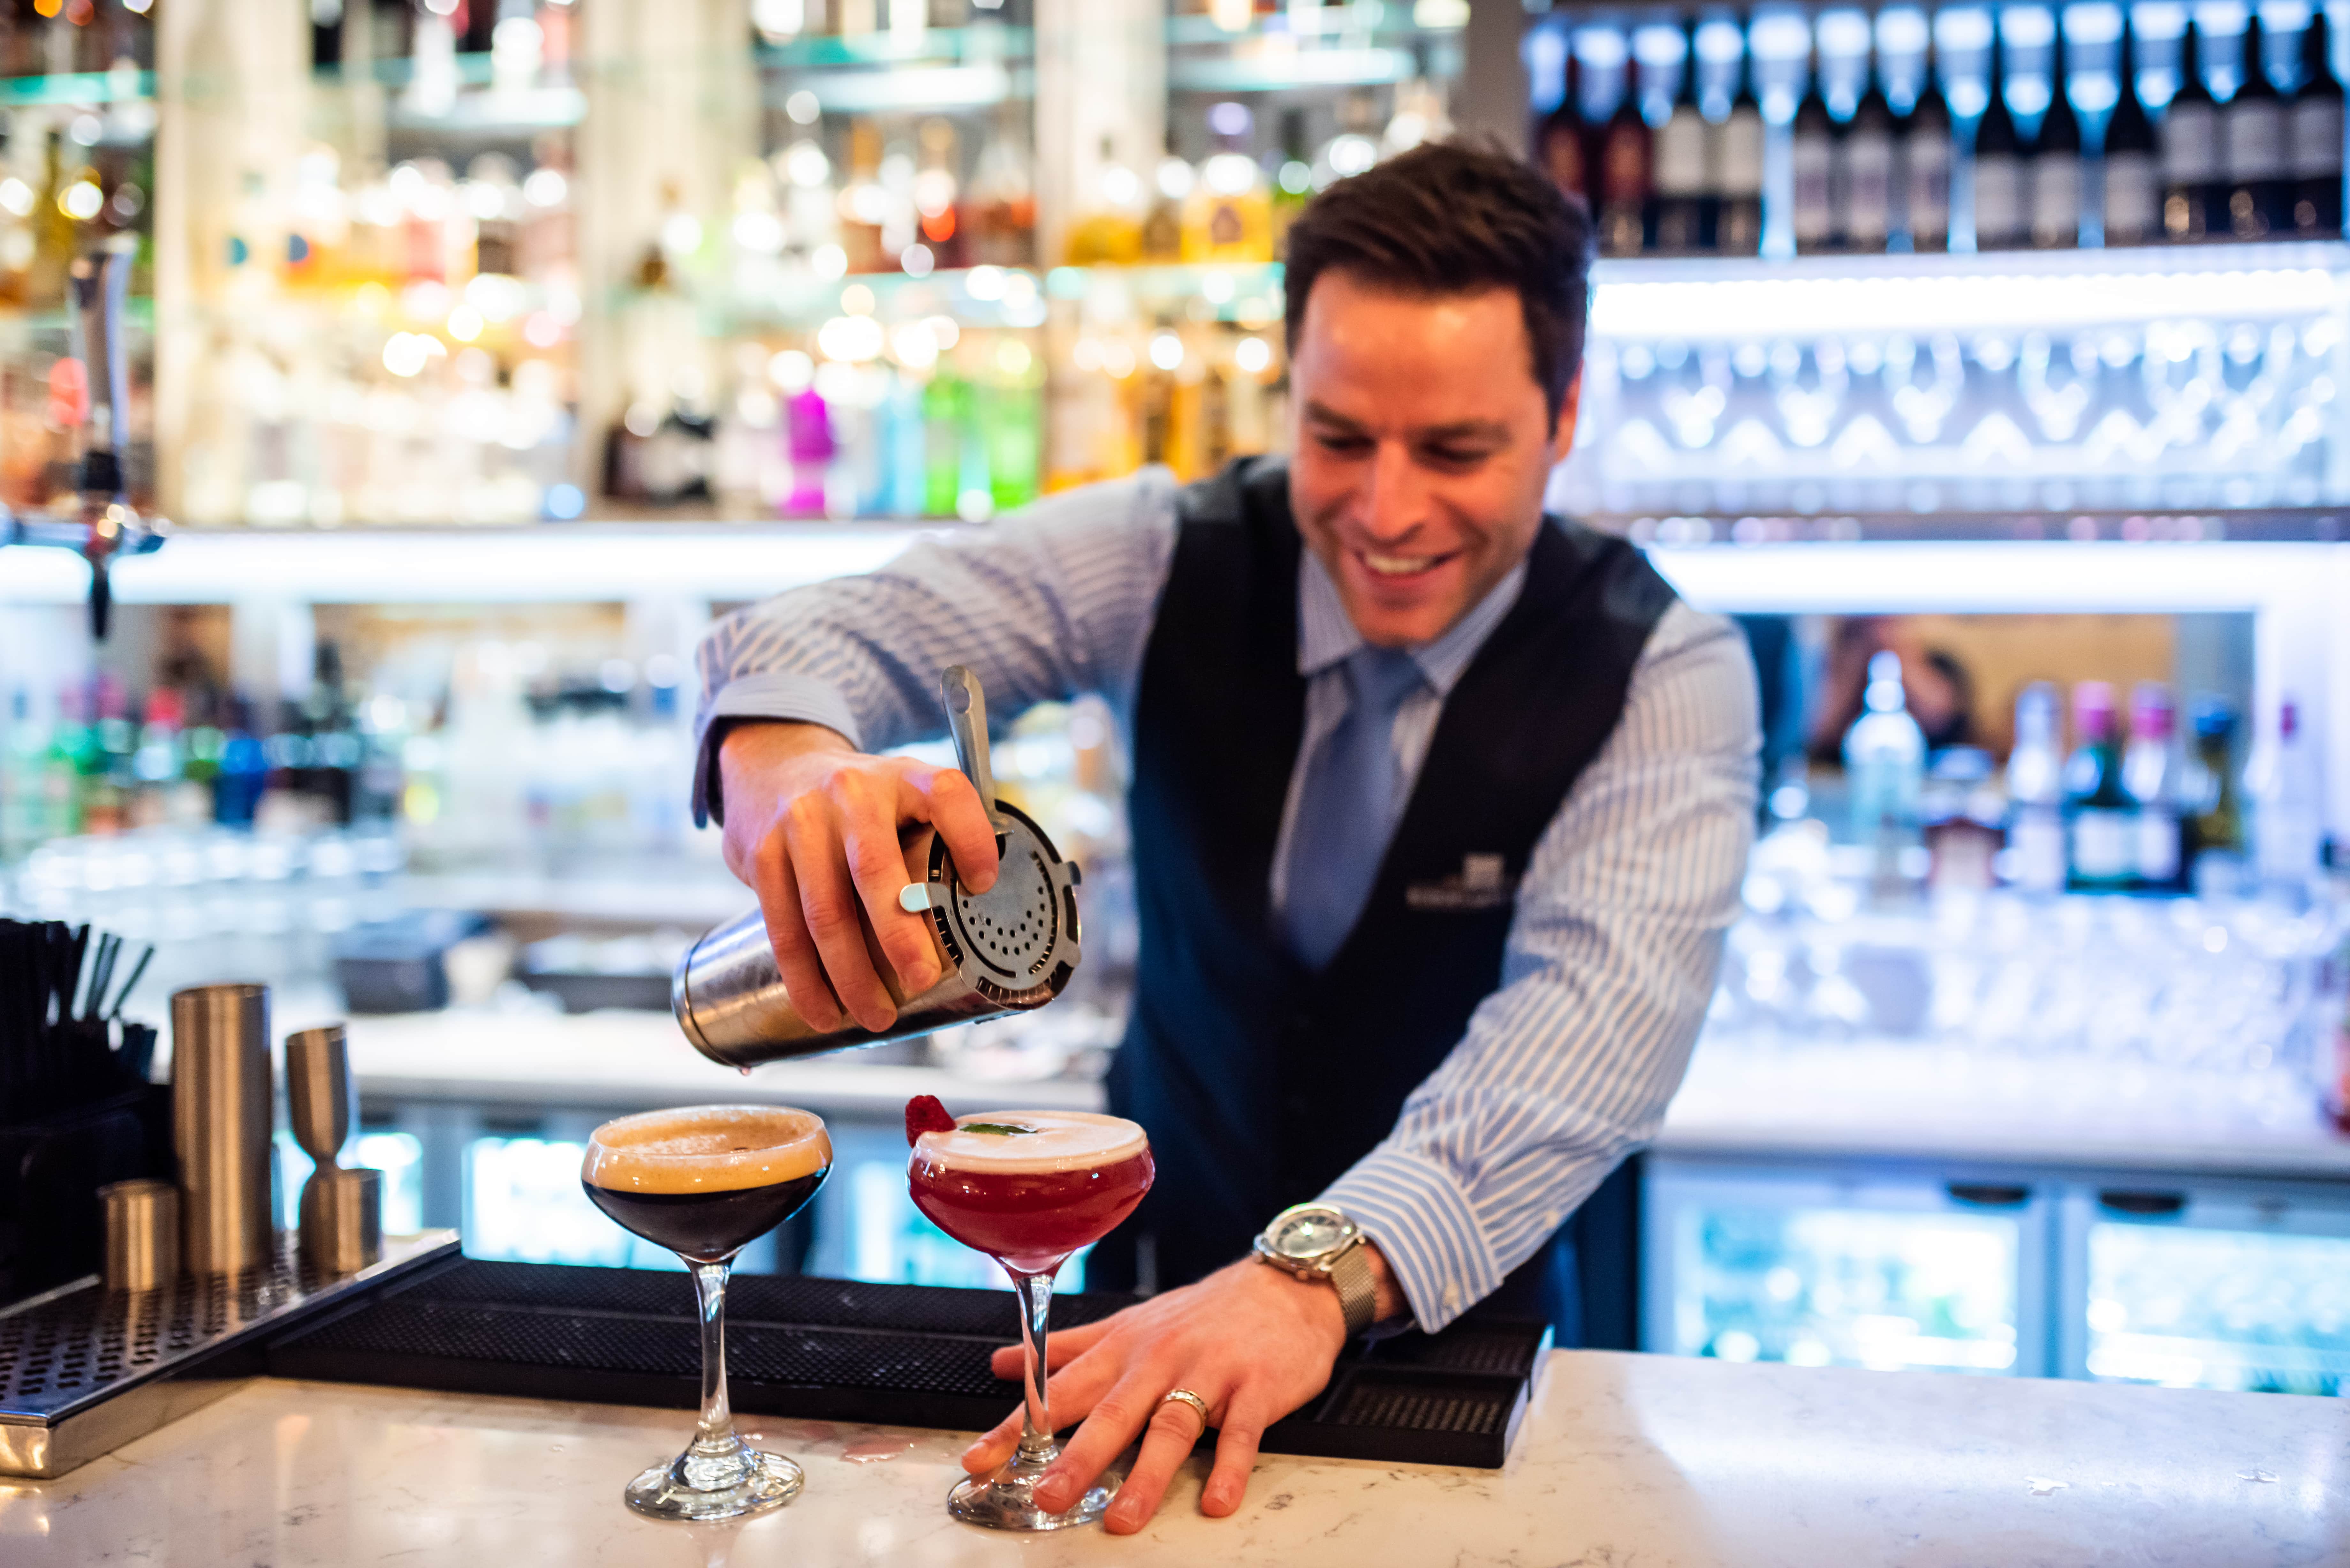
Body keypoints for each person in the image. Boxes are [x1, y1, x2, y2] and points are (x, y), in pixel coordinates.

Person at [692, 142, 1759, 1533]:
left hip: (1473, 1376)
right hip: (1140, 1337)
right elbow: (810, 635)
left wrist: (1307, 1281)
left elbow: (1585, 1042)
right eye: (1337, 437)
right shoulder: (1165, 549)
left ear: (1560, 419)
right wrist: (785, 761)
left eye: (1454, 451)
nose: (1383, 512)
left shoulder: (1663, 667)